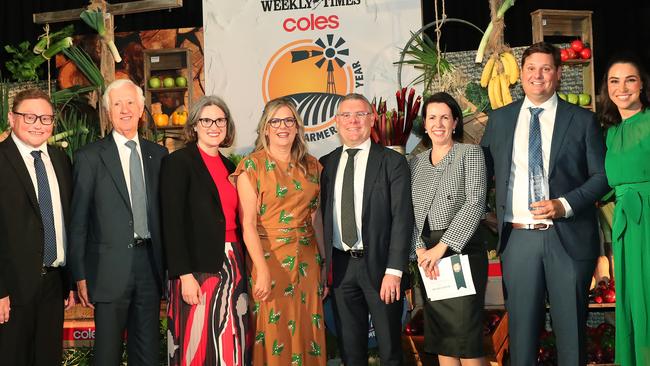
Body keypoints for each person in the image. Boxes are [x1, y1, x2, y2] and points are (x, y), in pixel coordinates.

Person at [480, 42, 609, 365]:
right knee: (521, 337)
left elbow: (601, 177)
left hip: (568, 238)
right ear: (520, 75)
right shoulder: (500, 120)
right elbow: (480, 172)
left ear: (558, 74)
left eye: (546, 68)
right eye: (531, 69)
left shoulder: (581, 120)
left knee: (572, 334)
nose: (538, 75)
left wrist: (564, 204)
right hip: (519, 240)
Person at [69, 79, 168, 365]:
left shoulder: (158, 155)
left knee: (147, 353)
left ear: (141, 108)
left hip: (150, 267)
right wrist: (79, 274)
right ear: (107, 112)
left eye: (130, 103)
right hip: (107, 270)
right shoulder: (89, 157)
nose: (124, 109)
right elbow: (78, 221)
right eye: (116, 104)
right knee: (106, 356)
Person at [320, 93, 413, 366]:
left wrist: (394, 271)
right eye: (346, 115)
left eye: (360, 114)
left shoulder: (392, 162)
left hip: (381, 268)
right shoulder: (326, 164)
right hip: (340, 268)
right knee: (350, 352)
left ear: (371, 119)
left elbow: (402, 218)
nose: (353, 121)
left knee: (390, 350)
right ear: (336, 122)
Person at [234, 98, 326, 365]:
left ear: (297, 128)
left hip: (308, 260)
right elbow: (247, 224)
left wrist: (324, 262)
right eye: (276, 121)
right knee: (273, 331)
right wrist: (260, 269)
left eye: (289, 121)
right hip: (269, 259)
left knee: (309, 327)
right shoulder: (251, 167)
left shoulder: (312, 166)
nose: (282, 126)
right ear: (265, 128)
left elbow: (315, 217)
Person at [161, 95, 249, 365]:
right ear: (195, 125)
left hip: (234, 265)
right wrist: (184, 275)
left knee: (231, 339)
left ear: (227, 125)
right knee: (196, 342)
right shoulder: (179, 162)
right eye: (207, 120)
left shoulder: (231, 167)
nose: (214, 126)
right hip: (197, 269)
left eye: (220, 120)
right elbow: (171, 222)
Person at [410, 92, 487, 366]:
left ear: (455, 122)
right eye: (432, 117)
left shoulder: (470, 153)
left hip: (460, 250)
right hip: (427, 256)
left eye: (445, 117)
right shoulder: (415, 162)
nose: (438, 123)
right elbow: (409, 212)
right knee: (442, 335)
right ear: (425, 123)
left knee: (465, 338)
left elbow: (475, 201)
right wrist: (420, 250)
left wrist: (441, 249)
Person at [0, 89, 76, 365]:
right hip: (11, 290)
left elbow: (66, 221)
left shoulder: (60, 160)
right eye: (30, 116)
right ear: (12, 118)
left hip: (54, 286)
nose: (38, 124)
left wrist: (69, 281)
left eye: (45, 118)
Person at [598, 55, 650, 366]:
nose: (622, 87)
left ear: (642, 84)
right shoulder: (610, 132)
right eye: (614, 81)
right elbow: (605, 183)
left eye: (630, 79)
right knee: (632, 298)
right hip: (626, 223)